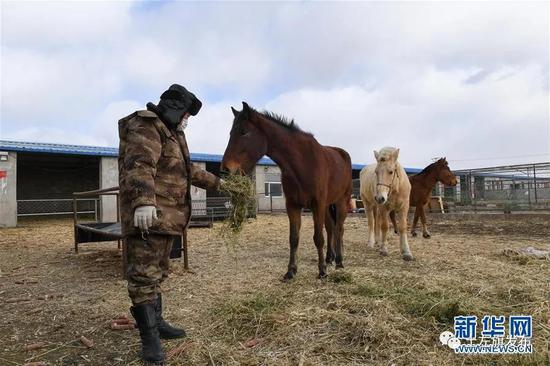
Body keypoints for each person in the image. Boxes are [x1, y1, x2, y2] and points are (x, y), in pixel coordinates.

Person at [118, 84, 223, 365]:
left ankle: (158, 323)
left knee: (158, 273)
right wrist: (142, 201)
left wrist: (219, 184)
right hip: (148, 217)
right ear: (176, 110)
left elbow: (187, 171)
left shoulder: (173, 134)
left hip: (166, 218)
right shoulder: (146, 125)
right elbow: (139, 164)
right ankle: (150, 342)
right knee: (143, 277)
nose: (188, 120)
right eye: (187, 114)